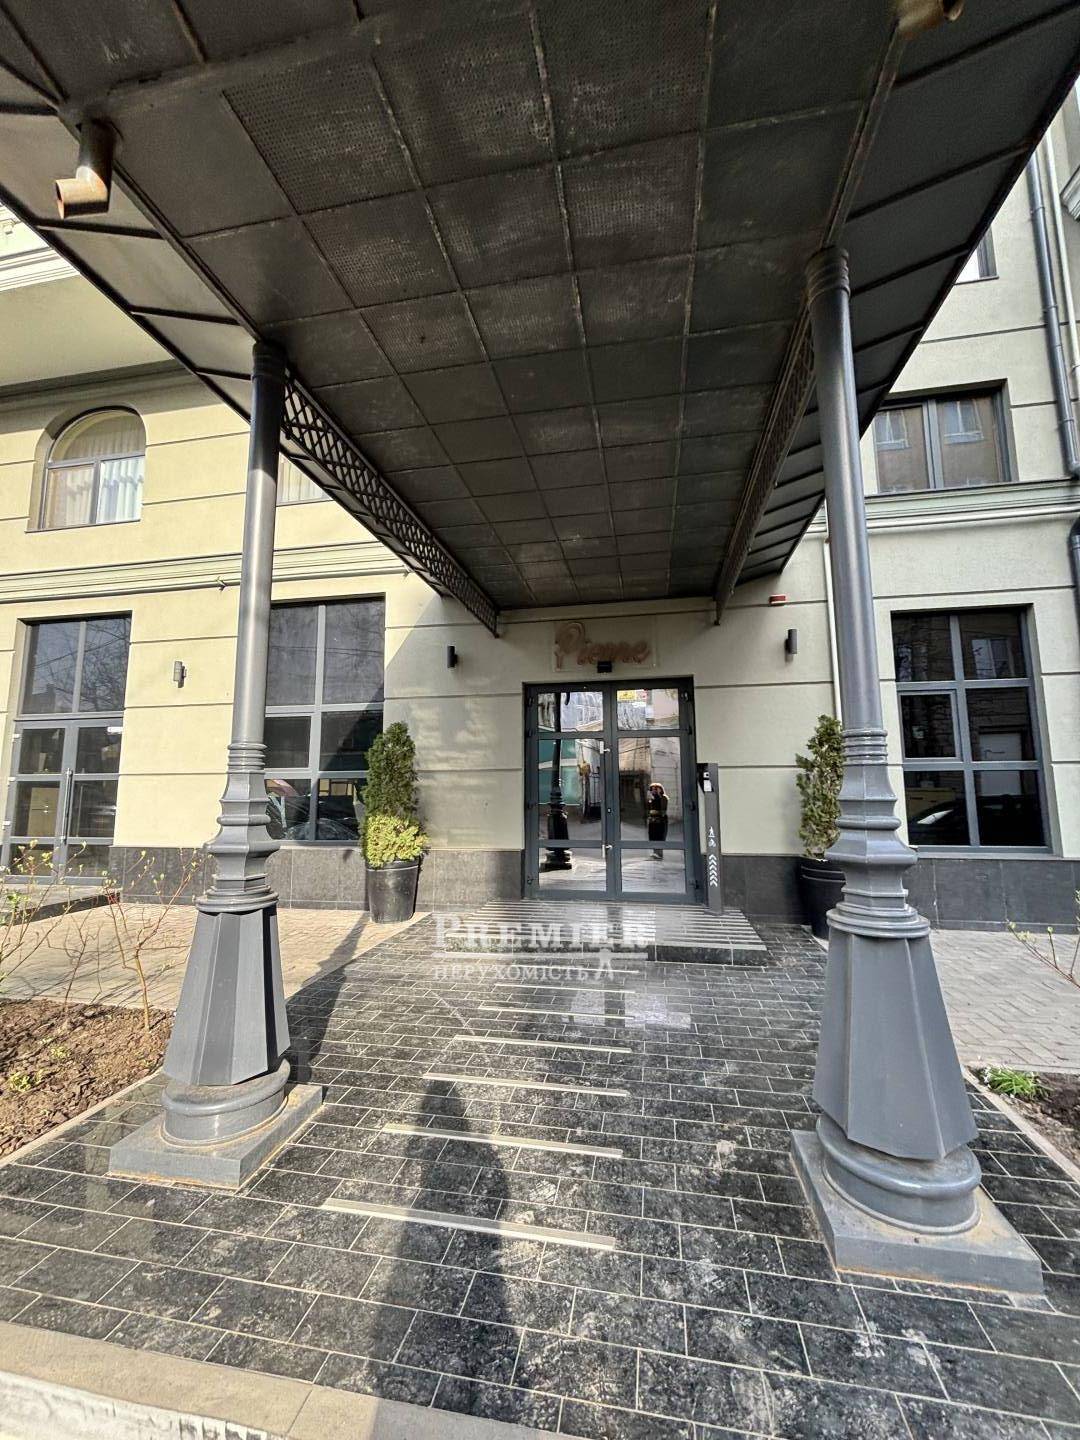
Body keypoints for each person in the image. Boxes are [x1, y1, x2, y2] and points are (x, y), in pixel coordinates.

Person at [647, 782, 668, 859]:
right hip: (652, 820)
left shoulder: (663, 798)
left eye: (655, 789)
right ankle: (655, 852)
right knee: (652, 836)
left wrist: (659, 795)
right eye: (652, 789)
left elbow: (663, 810)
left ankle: (659, 853)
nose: (653, 791)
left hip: (660, 820)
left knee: (659, 836)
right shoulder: (651, 799)